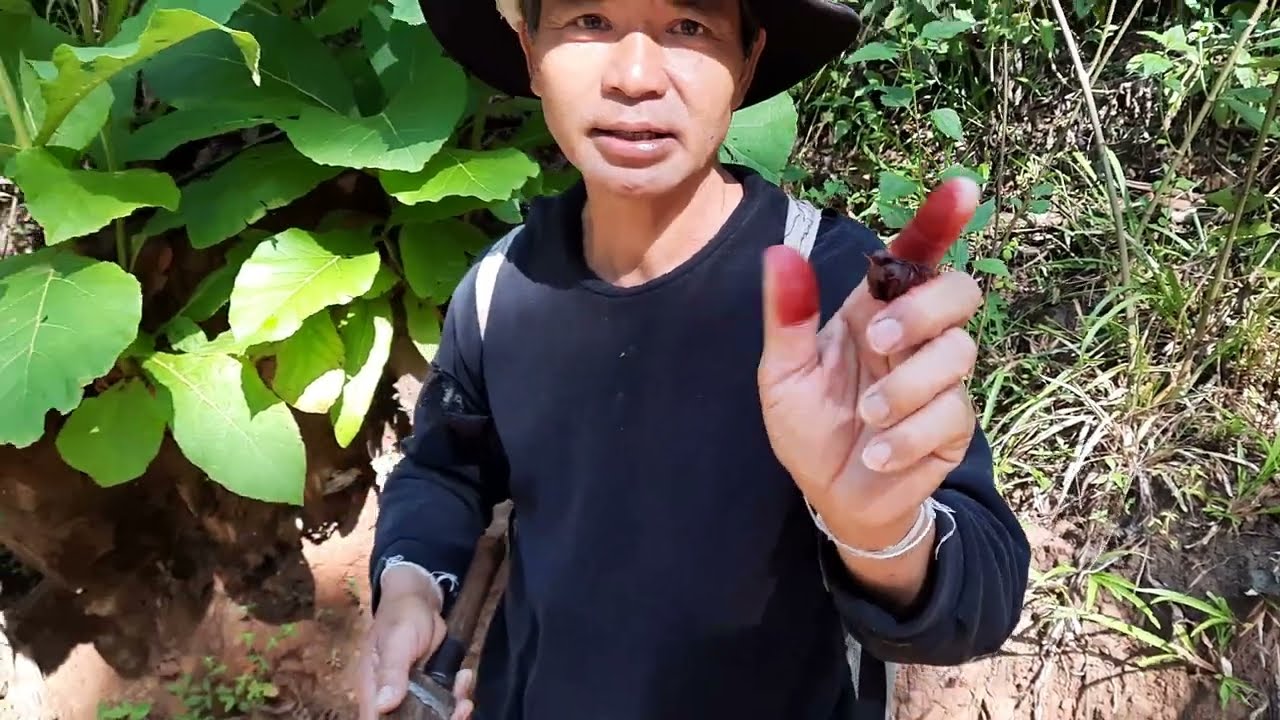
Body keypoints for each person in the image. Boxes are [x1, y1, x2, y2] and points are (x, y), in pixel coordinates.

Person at [357, 1, 1032, 718]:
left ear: (746, 63)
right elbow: (443, 470)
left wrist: (879, 534)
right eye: (588, 19)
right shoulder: (503, 287)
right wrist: (410, 585)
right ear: (528, 48)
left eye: (689, 26)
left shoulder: (830, 295)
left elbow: (980, 599)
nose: (636, 76)